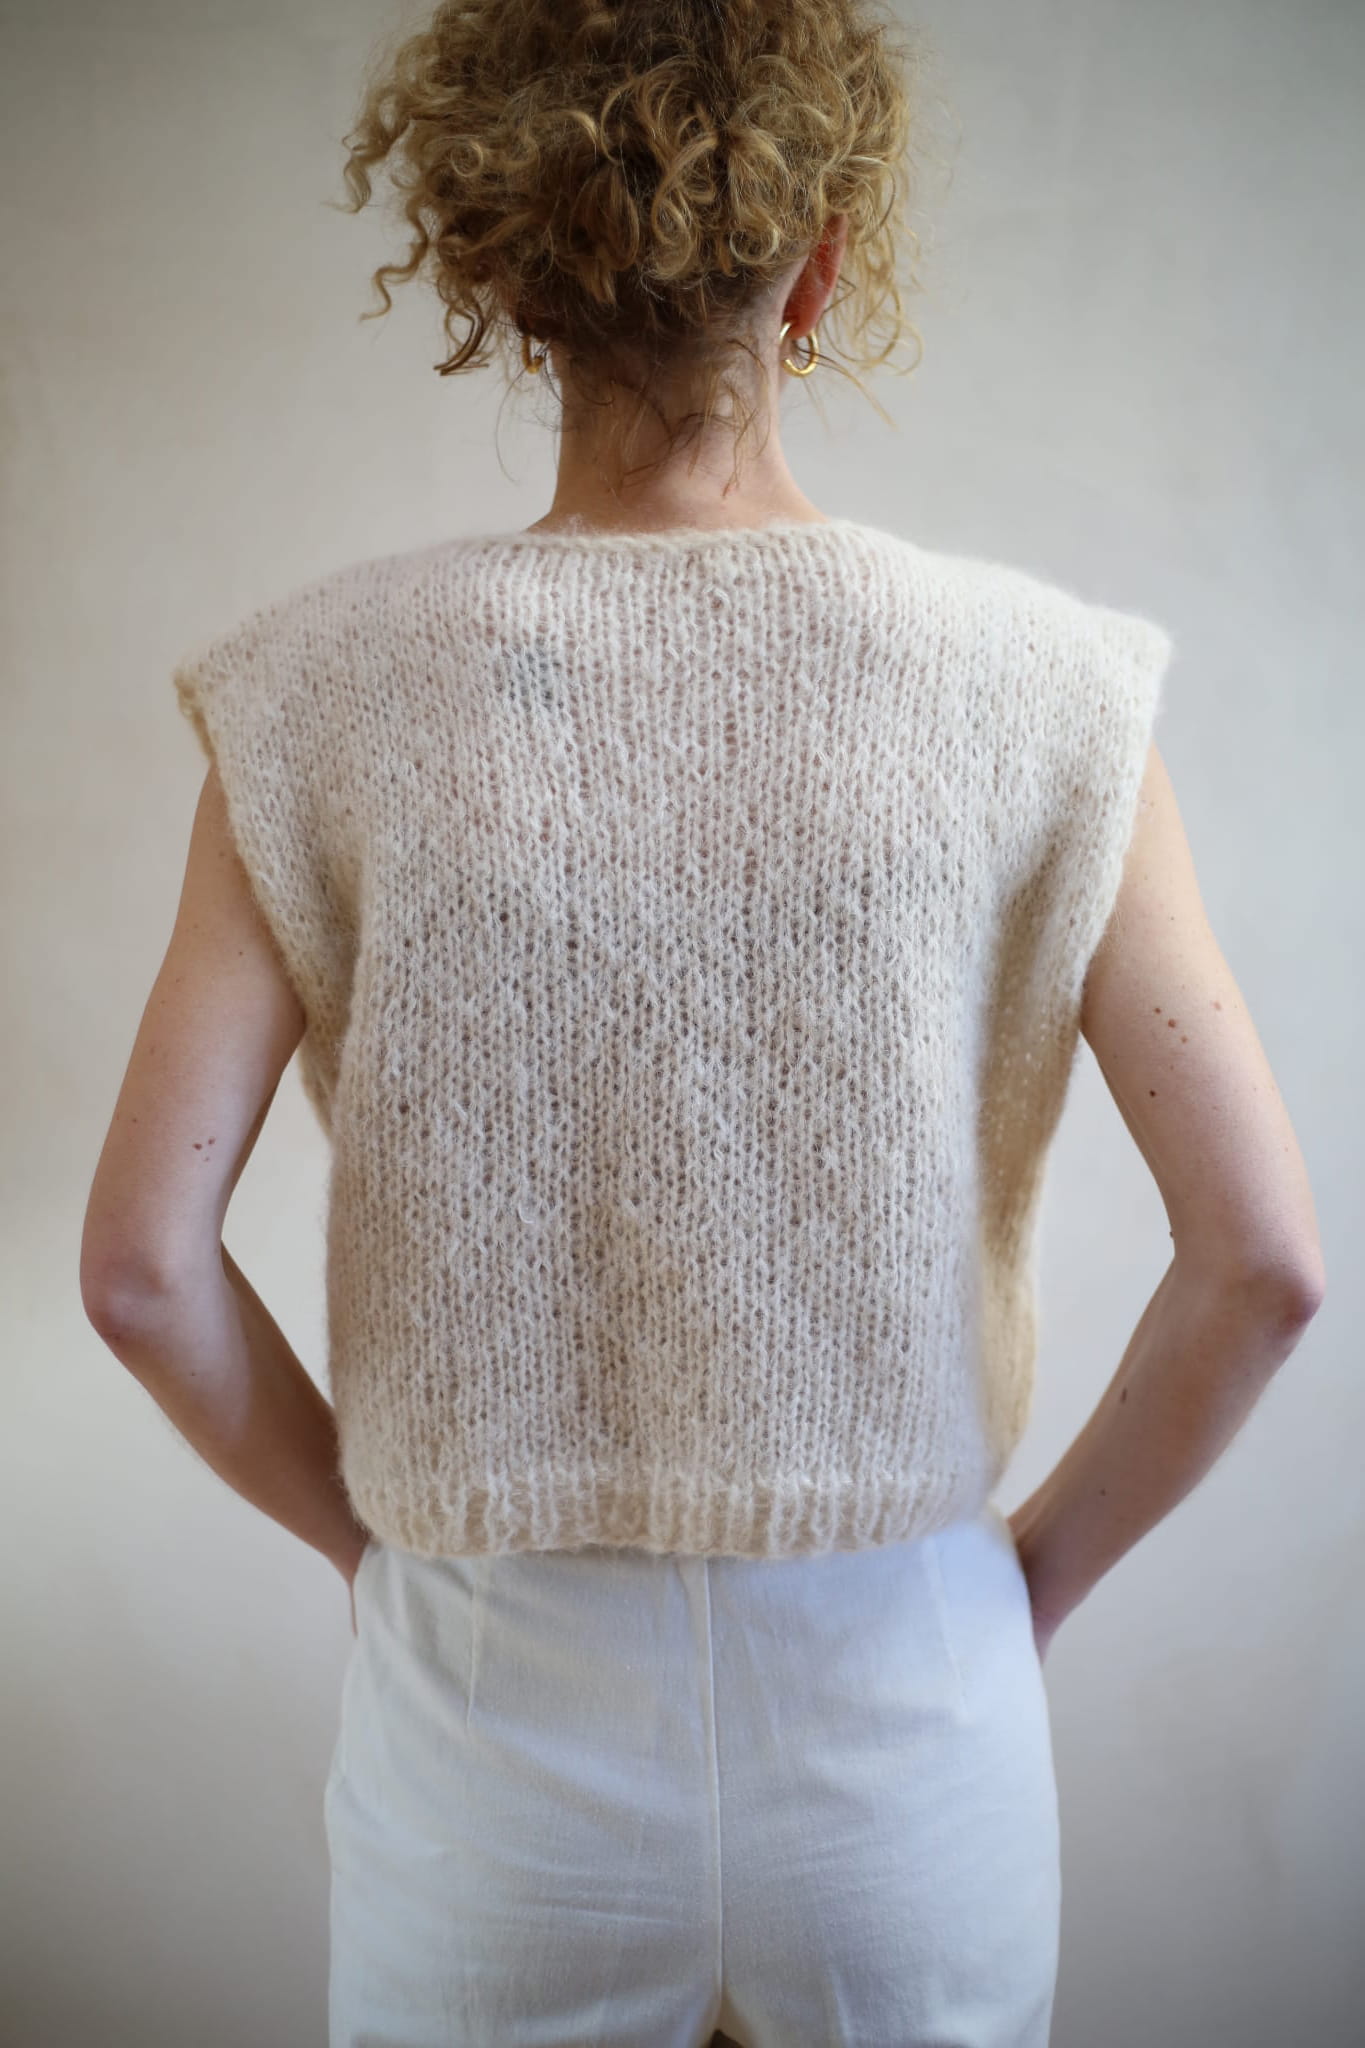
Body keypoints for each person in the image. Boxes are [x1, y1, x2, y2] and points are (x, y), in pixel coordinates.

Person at [80, 2, 1325, 2044]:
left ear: (509, 282)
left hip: (490, 1714)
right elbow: (1262, 1266)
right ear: (817, 269)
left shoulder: (316, 694)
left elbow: (140, 1270)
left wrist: (385, 1558)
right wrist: (1004, 1598)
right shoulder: (1047, 692)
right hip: (903, 1693)